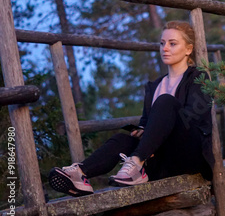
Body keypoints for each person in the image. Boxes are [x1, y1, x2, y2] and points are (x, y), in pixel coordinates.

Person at [48, 20, 214, 197]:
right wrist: (143, 131)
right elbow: (146, 122)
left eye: (173, 44)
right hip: (160, 161)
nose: (165, 48)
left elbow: (195, 119)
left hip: (189, 157)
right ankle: (80, 174)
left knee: (166, 102)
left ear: (188, 49)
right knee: (123, 139)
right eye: (162, 43)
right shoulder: (154, 86)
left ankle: (135, 163)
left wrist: (159, 127)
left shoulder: (198, 77)